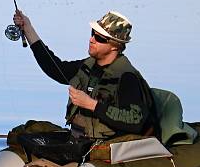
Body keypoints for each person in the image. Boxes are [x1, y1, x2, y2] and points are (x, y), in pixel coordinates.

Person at [13, 9, 158, 142]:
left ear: (115, 45)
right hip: (80, 141)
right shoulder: (88, 66)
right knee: (27, 133)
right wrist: (28, 29)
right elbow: (55, 68)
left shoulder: (127, 77)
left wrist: (91, 104)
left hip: (106, 148)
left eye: (100, 38)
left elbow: (135, 121)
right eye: (92, 34)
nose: (92, 39)